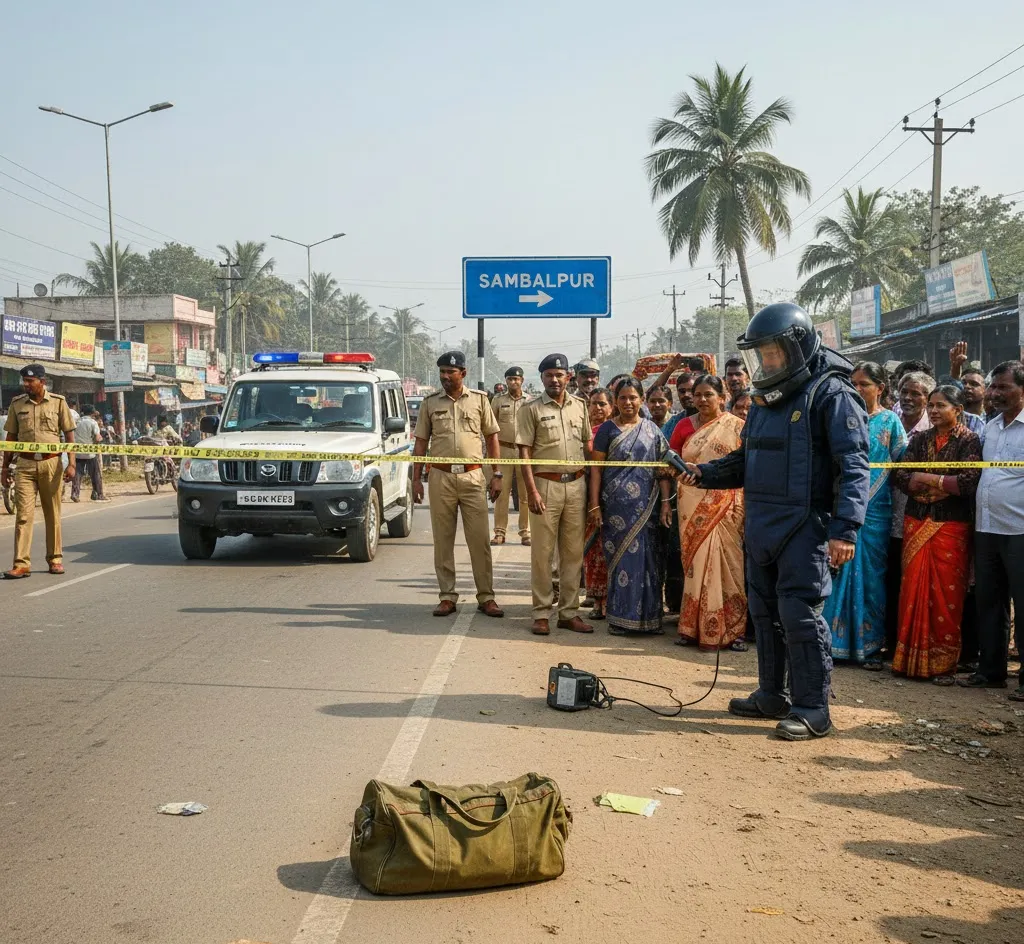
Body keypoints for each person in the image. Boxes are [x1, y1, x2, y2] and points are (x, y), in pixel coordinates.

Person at [678, 303, 869, 741]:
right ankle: (771, 694)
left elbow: (854, 466)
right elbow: (746, 460)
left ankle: (812, 708)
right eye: (760, 354)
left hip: (806, 525)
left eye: (772, 353)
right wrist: (703, 473)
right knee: (764, 614)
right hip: (761, 523)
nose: (765, 362)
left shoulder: (831, 394)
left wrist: (846, 529)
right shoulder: (765, 398)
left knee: (800, 615)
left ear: (796, 347)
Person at [892, 386, 981, 682]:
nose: (932, 410)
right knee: (911, 590)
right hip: (916, 521)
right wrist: (940, 482)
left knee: (946, 595)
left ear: (958, 409)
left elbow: (967, 483)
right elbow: (902, 476)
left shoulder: (970, 441)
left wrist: (926, 477)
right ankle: (908, 662)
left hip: (951, 527)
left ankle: (942, 664)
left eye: (940, 405)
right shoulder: (920, 440)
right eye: (930, 405)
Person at [822, 363, 906, 666]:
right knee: (834, 573)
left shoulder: (890, 421)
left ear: (880, 388)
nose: (856, 389)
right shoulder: (840, 418)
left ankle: (869, 646)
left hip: (876, 514)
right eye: (852, 384)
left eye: (864, 384)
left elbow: (902, 465)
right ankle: (831, 643)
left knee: (872, 579)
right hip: (841, 510)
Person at [412, 352, 505, 619]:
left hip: (473, 477)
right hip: (440, 478)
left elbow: (492, 438)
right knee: (443, 541)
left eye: (450, 372)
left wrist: (496, 474)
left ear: (462, 373)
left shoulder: (479, 400)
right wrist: (416, 479)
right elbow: (420, 442)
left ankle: (486, 596)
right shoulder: (430, 403)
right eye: (441, 371)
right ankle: (447, 596)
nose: (444, 376)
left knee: (479, 541)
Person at [959, 361, 1024, 697]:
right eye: (994, 387)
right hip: (987, 528)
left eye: (1003, 387)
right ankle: (991, 670)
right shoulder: (992, 427)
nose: (996, 393)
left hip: (1020, 530)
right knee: (989, 601)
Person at [588, 378, 672, 635]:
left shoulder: (652, 431)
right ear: (616, 401)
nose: (628, 402)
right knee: (622, 561)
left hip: (648, 508)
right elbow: (596, 471)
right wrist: (594, 506)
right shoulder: (606, 431)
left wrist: (667, 504)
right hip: (616, 511)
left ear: (641, 400)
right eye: (622, 398)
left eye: (633, 397)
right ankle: (621, 618)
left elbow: (663, 471)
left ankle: (649, 619)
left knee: (649, 560)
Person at [517, 353, 592, 636]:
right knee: (542, 553)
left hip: (576, 485)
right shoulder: (531, 409)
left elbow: (588, 447)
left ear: (568, 377)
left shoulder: (580, 407)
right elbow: (524, 453)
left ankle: (569, 612)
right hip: (545, 485)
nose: (555, 379)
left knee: (573, 553)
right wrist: (532, 491)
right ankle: (541, 612)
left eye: (559, 375)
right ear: (542, 378)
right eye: (549, 375)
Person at [675, 375, 746, 650]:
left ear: (721, 397)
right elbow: (676, 464)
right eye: (698, 395)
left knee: (730, 565)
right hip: (691, 505)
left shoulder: (738, 427)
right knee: (695, 566)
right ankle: (691, 627)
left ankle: (735, 629)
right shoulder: (685, 426)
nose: (702, 400)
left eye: (708, 394)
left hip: (727, 506)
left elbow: (744, 469)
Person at [2, 364, 77, 578]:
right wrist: (4, 467)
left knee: (52, 514)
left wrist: (71, 463)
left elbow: (69, 436)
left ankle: (55, 559)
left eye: (30, 381)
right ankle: (21, 563)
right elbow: (10, 439)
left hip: (51, 465)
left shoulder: (58, 403)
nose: (26, 385)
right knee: (23, 516)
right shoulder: (16, 404)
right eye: (24, 381)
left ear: (42, 382)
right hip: (24, 466)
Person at [884, 371, 934, 659]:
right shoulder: (889, 422)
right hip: (886, 517)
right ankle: (891, 643)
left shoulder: (932, 429)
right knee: (890, 580)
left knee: (914, 584)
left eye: (916, 393)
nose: (908, 397)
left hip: (920, 519)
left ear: (927, 398)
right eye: (904, 391)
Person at [490, 366, 531, 547]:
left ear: (522, 380)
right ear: (506, 381)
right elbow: (491, 427)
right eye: (510, 379)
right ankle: (499, 532)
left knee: (525, 495)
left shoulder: (530, 401)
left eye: (516, 379)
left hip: (524, 452)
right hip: (504, 450)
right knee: (502, 494)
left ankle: (526, 532)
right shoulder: (498, 400)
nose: (513, 382)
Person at [583, 387, 614, 620]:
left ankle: (613, 600)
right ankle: (596, 600)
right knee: (593, 552)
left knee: (611, 550)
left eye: (602, 404)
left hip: (614, 499)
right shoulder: (584, 433)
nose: (597, 408)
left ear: (611, 407)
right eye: (594, 403)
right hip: (587, 497)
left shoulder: (616, 431)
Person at [71, 404, 109, 503]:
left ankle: (75, 494)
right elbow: (97, 437)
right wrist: (101, 439)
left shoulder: (76, 421)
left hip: (77, 451)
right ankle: (98, 494)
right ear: (92, 412)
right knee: (95, 474)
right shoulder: (93, 422)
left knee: (78, 474)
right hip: (90, 452)